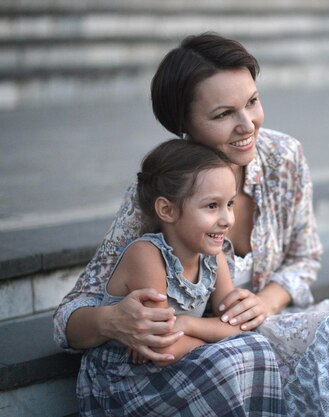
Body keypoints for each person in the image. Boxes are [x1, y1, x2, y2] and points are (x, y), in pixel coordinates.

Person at [55, 32, 329, 416]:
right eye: (224, 113)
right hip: (215, 355)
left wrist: (266, 302)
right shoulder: (165, 193)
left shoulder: (284, 156)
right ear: (185, 127)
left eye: (252, 101)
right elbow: (70, 315)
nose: (247, 124)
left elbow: (305, 258)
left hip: (266, 325)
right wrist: (113, 320)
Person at [75, 139, 285, 416]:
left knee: (254, 347)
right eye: (212, 206)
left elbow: (238, 325)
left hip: (176, 364)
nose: (228, 219)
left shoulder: (213, 254)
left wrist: (186, 324)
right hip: (128, 379)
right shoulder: (147, 255)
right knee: (231, 358)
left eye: (230, 204)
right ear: (168, 210)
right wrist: (212, 332)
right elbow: (164, 349)